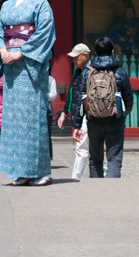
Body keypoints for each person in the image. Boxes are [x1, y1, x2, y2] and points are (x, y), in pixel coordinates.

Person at [0, 0, 56, 187]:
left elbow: (44, 33)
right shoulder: (7, 5)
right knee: (13, 121)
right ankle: (21, 171)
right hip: (10, 68)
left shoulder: (41, 4)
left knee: (33, 119)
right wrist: (1, 49)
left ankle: (41, 171)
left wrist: (21, 52)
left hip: (30, 69)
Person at [75, 37, 133, 178]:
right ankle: (112, 192)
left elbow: (79, 99)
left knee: (95, 159)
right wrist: (125, 113)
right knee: (114, 160)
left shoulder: (87, 73)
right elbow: (128, 97)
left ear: (95, 52)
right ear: (112, 53)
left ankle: (97, 193)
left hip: (93, 120)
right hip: (115, 120)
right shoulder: (119, 72)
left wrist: (76, 124)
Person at [57, 43, 91, 180]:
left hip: (88, 115)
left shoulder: (89, 71)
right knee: (87, 149)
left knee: (82, 148)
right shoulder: (77, 71)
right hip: (81, 115)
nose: (73, 60)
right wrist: (64, 112)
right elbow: (72, 93)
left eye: (76, 57)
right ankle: (110, 172)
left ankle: (75, 178)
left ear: (85, 56)